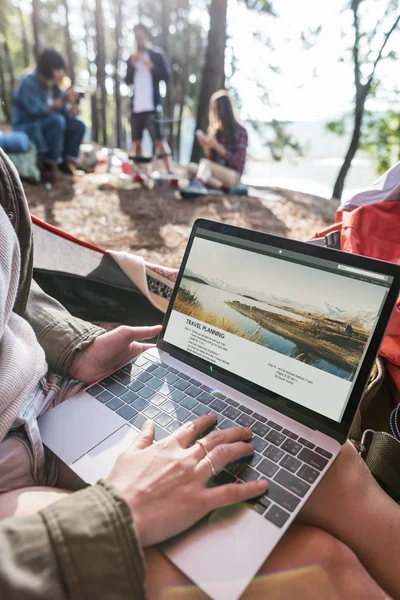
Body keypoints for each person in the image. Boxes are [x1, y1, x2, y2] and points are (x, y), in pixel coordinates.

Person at [0, 148, 400, 599]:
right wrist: (117, 512)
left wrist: (76, 348)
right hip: (19, 506)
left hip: (53, 393)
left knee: (333, 462)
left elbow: (16, 285)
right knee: (321, 566)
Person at [12, 48, 86, 183]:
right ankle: (49, 165)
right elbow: (35, 111)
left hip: (50, 124)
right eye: (57, 69)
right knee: (56, 121)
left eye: (61, 69)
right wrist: (57, 104)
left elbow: (66, 116)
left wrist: (71, 106)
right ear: (47, 69)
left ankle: (66, 163)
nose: (61, 73)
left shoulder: (56, 86)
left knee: (78, 124)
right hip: (28, 125)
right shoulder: (28, 82)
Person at [125, 24, 172, 175]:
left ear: (146, 35)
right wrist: (132, 66)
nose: (139, 39)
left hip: (152, 106)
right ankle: (138, 173)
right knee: (136, 142)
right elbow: (127, 81)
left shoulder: (156, 55)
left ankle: (169, 170)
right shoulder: (132, 58)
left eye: (141, 36)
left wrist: (151, 66)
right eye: (136, 36)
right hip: (136, 107)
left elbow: (166, 76)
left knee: (159, 140)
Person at [188, 90, 248, 194]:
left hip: (233, 175)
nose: (216, 113)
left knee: (204, 165)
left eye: (218, 109)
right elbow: (212, 161)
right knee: (192, 167)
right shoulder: (216, 132)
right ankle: (225, 188)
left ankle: (198, 184)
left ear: (227, 110)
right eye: (214, 109)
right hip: (217, 173)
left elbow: (237, 162)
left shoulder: (241, 131)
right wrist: (205, 146)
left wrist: (216, 146)